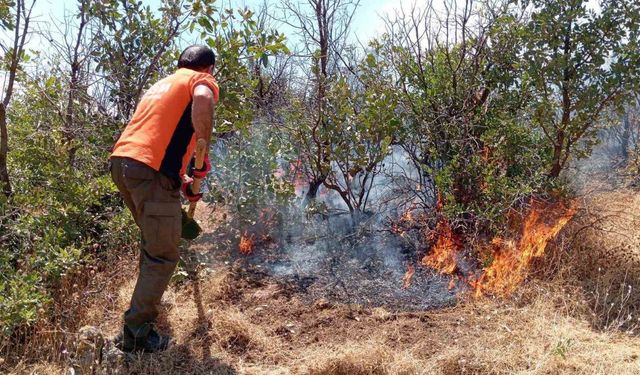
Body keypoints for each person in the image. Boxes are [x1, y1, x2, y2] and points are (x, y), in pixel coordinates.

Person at [108, 45, 218, 353]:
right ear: (207, 68)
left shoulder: (162, 85)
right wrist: (202, 152)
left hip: (125, 165)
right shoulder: (201, 80)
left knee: (153, 243)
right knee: (162, 254)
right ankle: (136, 334)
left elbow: (158, 140)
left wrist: (183, 179)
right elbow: (204, 100)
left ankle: (137, 319)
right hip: (148, 172)